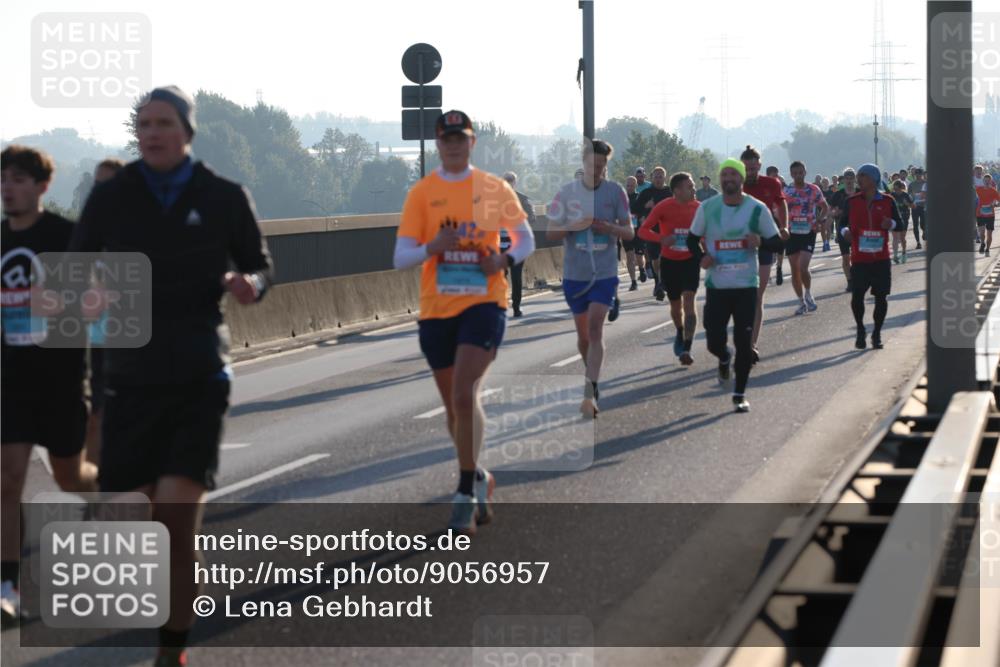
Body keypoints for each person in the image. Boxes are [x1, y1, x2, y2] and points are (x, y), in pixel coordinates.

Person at [71, 86, 274, 667]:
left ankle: (172, 651)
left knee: (177, 521)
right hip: (129, 379)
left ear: (187, 130)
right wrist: (80, 299)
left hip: (198, 374)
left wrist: (249, 286)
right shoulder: (114, 196)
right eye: (144, 123)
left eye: (164, 122)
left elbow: (261, 265)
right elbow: (76, 268)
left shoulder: (222, 196)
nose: (152, 132)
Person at [395, 110, 534, 536]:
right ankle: (478, 477)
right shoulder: (423, 193)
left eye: (461, 138)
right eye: (446, 139)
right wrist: (432, 246)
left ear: (472, 142)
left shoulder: (494, 189)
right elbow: (400, 257)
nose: (454, 145)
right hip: (437, 309)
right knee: (454, 410)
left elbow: (526, 237)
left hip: (485, 303)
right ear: (438, 145)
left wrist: (503, 258)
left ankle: (462, 493)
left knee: (464, 391)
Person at [1, 145, 99, 627]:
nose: (7, 188)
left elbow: (102, 303)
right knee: (6, 477)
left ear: (41, 186)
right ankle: (8, 586)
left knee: (69, 477)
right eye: (3, 179)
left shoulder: (66, 238)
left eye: (18, 179)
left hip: (59, 380)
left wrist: (62, 304)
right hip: (10, 381)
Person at [687, 159, 782, 413]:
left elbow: (777, 244)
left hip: (746, 286)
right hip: (717, 286)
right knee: (713, 341)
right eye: (724, 174)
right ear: (720, 179)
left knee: (744, 342)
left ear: (741, 179)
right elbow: (691, 240)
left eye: (733, 174)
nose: (728, 178)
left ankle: (739, 393)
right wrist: (701, 258)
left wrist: (759, 240)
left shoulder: (756, 209)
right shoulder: (708, 208)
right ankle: (723, 357)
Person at [547, 139, 633, 418]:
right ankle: (591, 374)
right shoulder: (566, 193)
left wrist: (608, 227)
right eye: (592, 165)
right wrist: (575, 225)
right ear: (583, 163)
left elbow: (630, 232)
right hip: (575, 274)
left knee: (596, 330)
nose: (597, 170)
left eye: (602, 166)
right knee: (583, 337)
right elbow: (550, 233)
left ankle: (589, 391)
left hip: (605, 272)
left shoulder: (615, 192)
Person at [82, 158, 125, 470]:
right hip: (101, 343)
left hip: (143, 344)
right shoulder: (87, 235)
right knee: (96, 418)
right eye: (97, 183)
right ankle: (97, 501)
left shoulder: (146, 229)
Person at [638, 172, 702, 365]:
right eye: (689, 186)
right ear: (677, 191)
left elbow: (706, 233)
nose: (694, 189)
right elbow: (642, 230)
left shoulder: (700, 209)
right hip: (670, 262)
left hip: (691, 260)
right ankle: (680, 331)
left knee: (689, 300)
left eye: (693, 185)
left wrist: (708, 254)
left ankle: (687, 347)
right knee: (676, 305)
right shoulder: (664, 207)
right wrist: (661, 239)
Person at [839, 163, 902, 350]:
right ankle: (860, 329)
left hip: (881, 259)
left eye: (863, 176)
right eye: (858, 176)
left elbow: (899, 223)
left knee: (881, 297)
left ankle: (876, 334)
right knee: (857, 297)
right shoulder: (851, 201)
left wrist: (888, 223)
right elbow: (842, 225)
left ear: (874, 179)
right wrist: (845, 233)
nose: (859, 179)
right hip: (859, 259)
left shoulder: (888, 200)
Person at [740, 146, 789, 363]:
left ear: (759, 166)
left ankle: (751, 344)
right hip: (740, 245)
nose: (750, 172)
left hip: (766, 241)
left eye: (753, 168)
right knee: (741, 296)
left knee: (757, 295)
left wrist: (784, 226)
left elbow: (781, 203)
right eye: (746, 168)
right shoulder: (735, 185)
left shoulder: (771, 183)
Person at [783, 161, 829, 315]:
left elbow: (825, 207)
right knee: (794, 270)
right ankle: (801, 302)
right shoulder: (786, 191)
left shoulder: (813, 189)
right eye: (795, 173)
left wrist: (819, 221)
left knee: (803, 267)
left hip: (808, 231)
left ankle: (808, 293)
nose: (798, 176)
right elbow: (778, 210)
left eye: (800, 172)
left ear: (805, 172)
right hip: (791, 233)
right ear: (791, 174)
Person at [633, 166, 673, 300]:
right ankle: (658, 282)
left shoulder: (670, 192)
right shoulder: (646, 193)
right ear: (651, 178)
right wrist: (646, 207)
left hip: (668, 231)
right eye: (656, 176)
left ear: (665, 178)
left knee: (665, 259)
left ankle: (663, 282)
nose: (658, 179)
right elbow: (635, 209)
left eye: (661, 176)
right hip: (651, 231)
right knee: (655, 260)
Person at [501, 171, 535, 316]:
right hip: (499, 244)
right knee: (499, 277)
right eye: (506, 179)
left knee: (516, 277)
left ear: (515, 182)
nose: (508, 182)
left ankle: (516, 306)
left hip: (517, 245)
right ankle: (501, 304)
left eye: (511, 180)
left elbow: (532, 218)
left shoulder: (522, 199)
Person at [829, 168, 860, 291]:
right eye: (847, 178)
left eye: (851, 178)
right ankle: (850, 282)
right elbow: (829, 210)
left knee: (857, 257)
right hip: (842, 229)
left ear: (855, 179)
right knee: (846, 258)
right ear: (844, 179)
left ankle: (857, 277)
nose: (849, 180)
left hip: (858, 229)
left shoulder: (860, 192)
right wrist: (834, 213)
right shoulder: (838, 194)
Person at [622, 175, 647, 290]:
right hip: (626, 231)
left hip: (638, 231)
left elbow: (644, 212)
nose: (629, 187)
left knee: (639, 256)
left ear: (636, 186)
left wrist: (640, 218)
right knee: (629, 257)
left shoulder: (639, 197)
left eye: (632, 185)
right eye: (628, 185)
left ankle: (642, 269)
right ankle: (633, 282)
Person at [975, 169, 1000, 256]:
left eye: (988, 181)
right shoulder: (978, 189)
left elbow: (998, 200)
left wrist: (994, 203)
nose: (986, 182)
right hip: (980, 213)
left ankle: (987, 249)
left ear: (990, 181)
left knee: (989, 234)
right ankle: (982, 243)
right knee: (982, 233)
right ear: (983, 181)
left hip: (990, 214)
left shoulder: (993, 191)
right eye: (985, 181)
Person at [890, 179, 915, 263]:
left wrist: (907, 204)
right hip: (894, 217)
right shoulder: (891, 195)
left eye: (897, 189)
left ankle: (904, 252)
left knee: (902, 237)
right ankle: (895, 255)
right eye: (895, 189)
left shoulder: (906, 195)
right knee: (895, 237)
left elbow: (913, 206)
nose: (896, 191)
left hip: (904, 217)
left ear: (901, 188)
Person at [908, 168, 927, 249]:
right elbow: (908, 195)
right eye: (917, 174)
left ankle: (924, 232)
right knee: (915, 225)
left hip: (924, 206)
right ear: (914, 175)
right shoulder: (911, 184)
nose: (918, 175)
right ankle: (918, 243)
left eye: (920, 173)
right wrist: (911, 199)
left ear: (922, 174)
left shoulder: (926, 183)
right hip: (915, 206)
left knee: (923, 224)